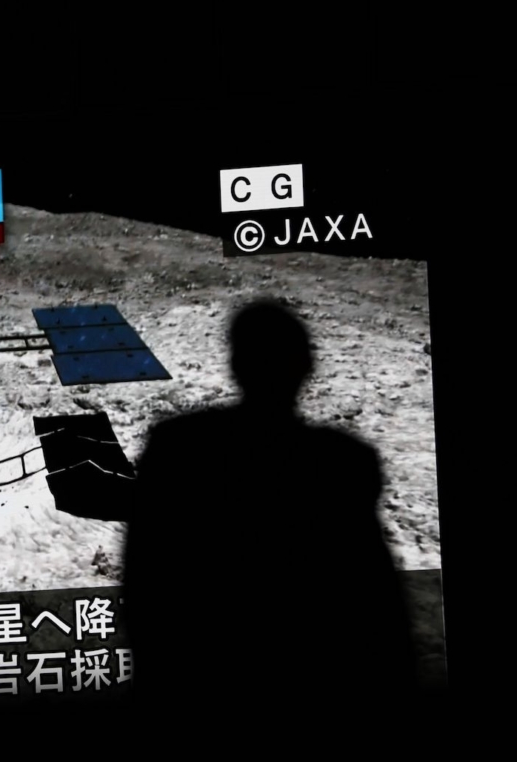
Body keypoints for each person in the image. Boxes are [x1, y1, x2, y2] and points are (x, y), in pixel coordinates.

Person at [121, 298, 418, 716]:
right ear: (306, 368)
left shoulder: (179, 448)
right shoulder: (342, 463)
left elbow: (145, 584)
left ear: (236, 363)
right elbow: (377, 603)